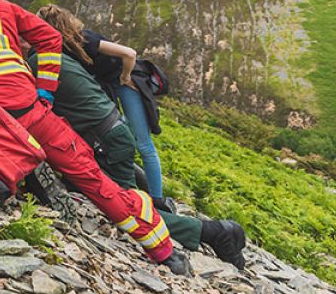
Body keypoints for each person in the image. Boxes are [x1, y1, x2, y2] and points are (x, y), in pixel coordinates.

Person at [0, 0, 188, 274]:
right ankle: (165, 254)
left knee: (5, 169)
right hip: (31, 111)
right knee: (90, 175)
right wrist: (45, 91)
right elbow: (50, 39)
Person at [23, 46, 248, 268]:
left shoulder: (36, 64)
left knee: (127, 208)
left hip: (103, 140)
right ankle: (194, 221)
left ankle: (214, 233)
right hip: (114, 130)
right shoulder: (58, 56)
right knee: (116, 190)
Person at [37, 5, 166, 204]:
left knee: (143, 143)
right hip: (105, 85)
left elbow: (129, 54)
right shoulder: (62, 46)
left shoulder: (84, 39)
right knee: (120, 134)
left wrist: (125, 76)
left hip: (124, 83)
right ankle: (136, 185)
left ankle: (158, 200)